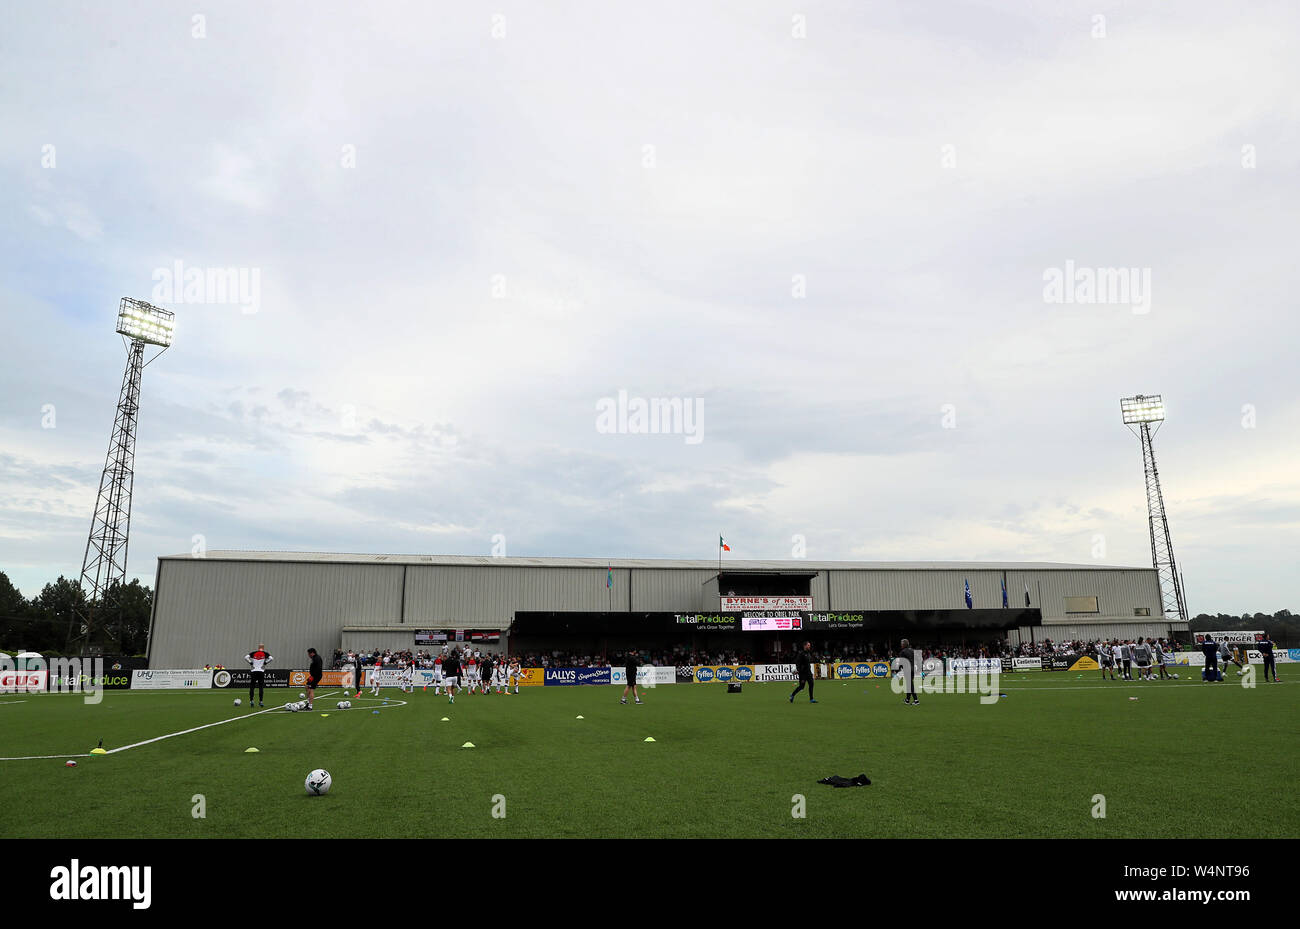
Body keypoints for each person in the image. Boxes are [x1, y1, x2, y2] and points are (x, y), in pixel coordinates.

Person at [244, 643, 273, 707]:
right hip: (261, 671)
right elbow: (271, 658)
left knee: (252, 687)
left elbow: (246, 657)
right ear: (263, 647)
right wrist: (265, 663)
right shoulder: (265, 653)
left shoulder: (254, 653)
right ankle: (261, 701)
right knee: (261, 687)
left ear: (258, 647)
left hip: (254, 671)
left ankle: (251, 701)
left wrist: (251, 662)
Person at [895, 637, 919, 706]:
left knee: (910, 685)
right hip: (913, 669)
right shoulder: (912, 650)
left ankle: (916, 700)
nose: (901, 645)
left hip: (907, 669)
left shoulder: (902, 652)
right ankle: (907, 700)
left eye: (901, 644)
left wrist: (898, 670)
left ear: (904, 644)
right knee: (909, 684)